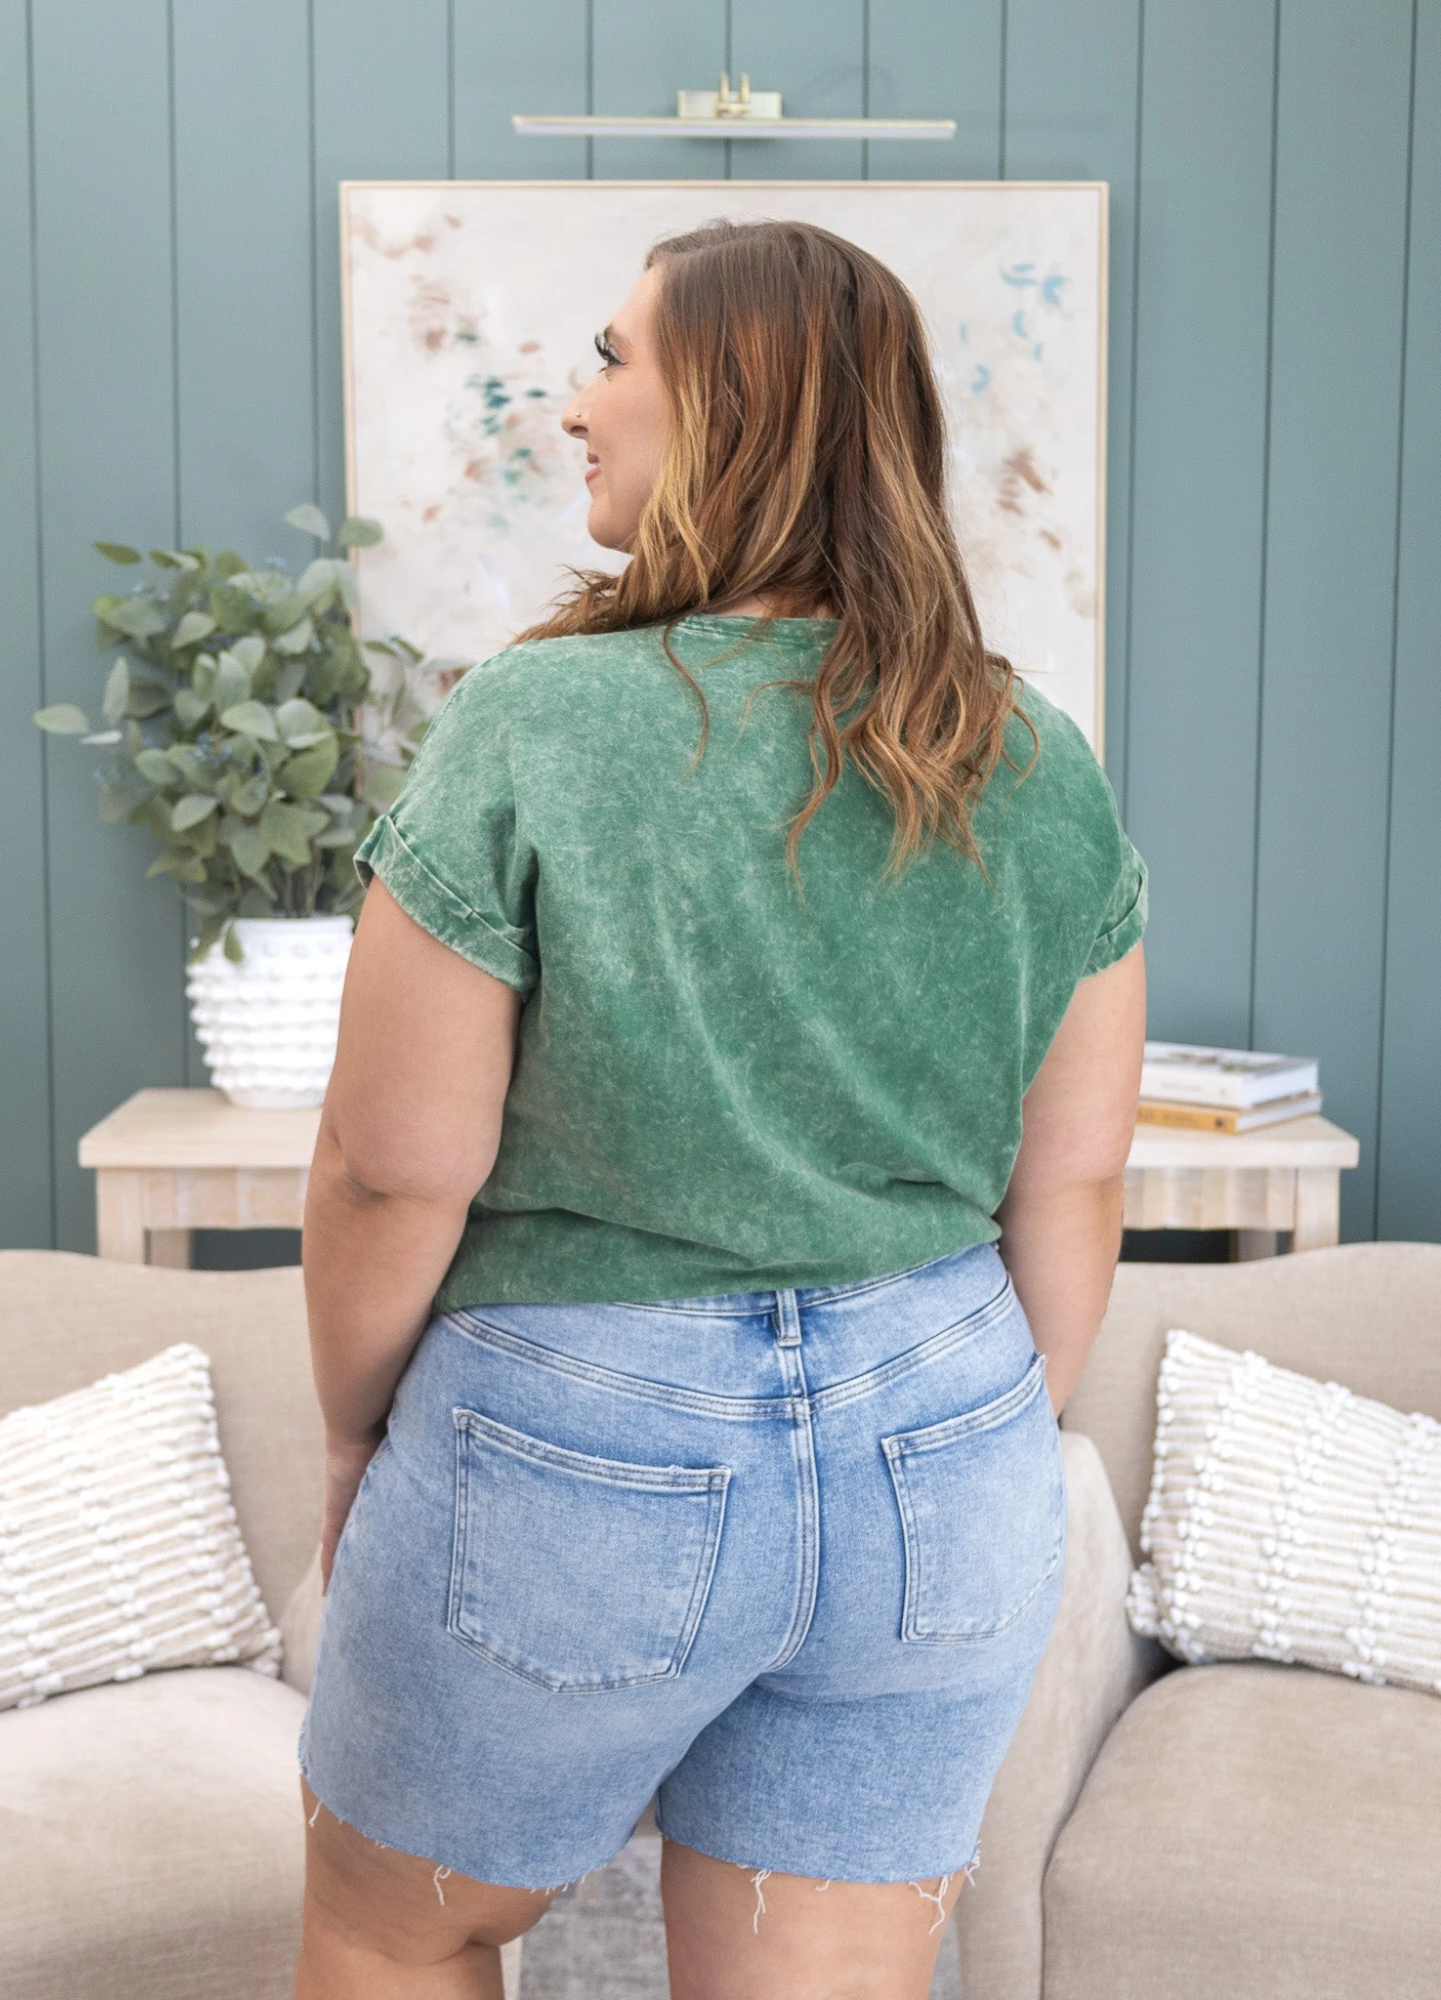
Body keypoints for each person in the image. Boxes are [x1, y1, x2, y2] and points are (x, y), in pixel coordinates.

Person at [294, 218, 1146, 2000]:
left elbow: (391, 1172)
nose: (572, 407)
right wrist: (968, 1430)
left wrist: (355, 1432)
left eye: (614, 360)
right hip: (949, 1433)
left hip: (577, 1436)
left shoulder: (535, 724)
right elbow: (1072, 1183)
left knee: (397, 1928)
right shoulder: (1030, 752)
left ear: (734, 409)